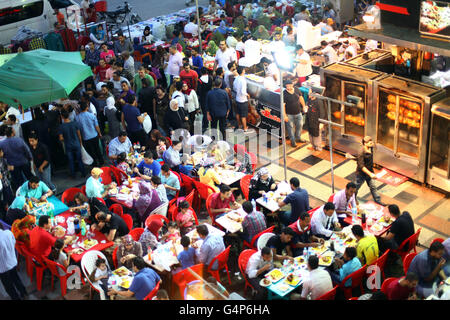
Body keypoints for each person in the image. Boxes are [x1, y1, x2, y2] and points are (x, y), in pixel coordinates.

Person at [0, 223, 28, 300]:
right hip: (12, 261)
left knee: (8, 285)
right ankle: (23, 292)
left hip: (2, 268)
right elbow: (13, 244)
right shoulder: (8, 233)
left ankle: (16, 297)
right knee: (16, 278)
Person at [0, 126, 33, 191]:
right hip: (24, 162)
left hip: (13, 165)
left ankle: (22, 194)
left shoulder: (2, 143)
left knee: (19, 182)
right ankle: (34, 190)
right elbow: (27, 150)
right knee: (30, 177)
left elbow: (2, 155)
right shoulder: (19, 140)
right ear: (12, 133)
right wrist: (30, 159)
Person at [354, 136, 384, 205]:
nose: (371, 142)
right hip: (361, 174)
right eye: (369, 142)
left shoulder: (371, 148)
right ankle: (353, 199)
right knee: (356, 187)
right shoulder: (361, 152)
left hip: (370, 171)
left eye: (371, 141)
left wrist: (371, 173)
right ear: (365, 143)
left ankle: (378, 201)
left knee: (373, 187)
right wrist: (370, 174)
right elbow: (361, 166)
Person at [59, 110, 86, 178]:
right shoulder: (75, 123)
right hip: (76, 144)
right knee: (79, 159)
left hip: (68, 145)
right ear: (68, 115)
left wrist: (65, 138)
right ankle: (83, 173)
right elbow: (79, 135)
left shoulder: (61, 127)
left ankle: (73, 175)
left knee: (71, 161)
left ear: (62, 117)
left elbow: (61, 138)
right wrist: (80, 143)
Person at [76, 101, 104, 167]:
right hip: (94, 135)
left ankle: (94, 164)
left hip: (85, 137)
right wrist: (99, 133)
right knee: (97, 149)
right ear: (87, 108)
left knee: (91, 151)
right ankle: (101, 162)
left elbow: (78, 129)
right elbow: (96, 126)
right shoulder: (92, 115)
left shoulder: (77, 118)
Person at [283, 80, 307, 147]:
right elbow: (283, 106)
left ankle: (298, 138)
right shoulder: (284, 93)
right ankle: (293, 141)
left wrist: (304, 106)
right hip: (289, 114)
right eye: (287, 86)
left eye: (290, 85)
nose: (289, 87)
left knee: (300, 125)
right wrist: (285, 116)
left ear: (292, 85)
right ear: (286, 86)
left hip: (298, 113)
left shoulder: (296, 89)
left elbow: (301, 98)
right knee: (290, 128)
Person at [233, 65, 250, 132]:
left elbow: (234, 88)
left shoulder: (236, 78)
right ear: (243, 71)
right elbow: (243, 91)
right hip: (243, 100)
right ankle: (245, 128)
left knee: (237, 113)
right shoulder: (243, 80)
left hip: (237, 99)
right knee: (243, 116)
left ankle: (239, 125)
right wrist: (247, 95)